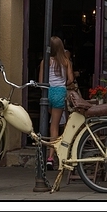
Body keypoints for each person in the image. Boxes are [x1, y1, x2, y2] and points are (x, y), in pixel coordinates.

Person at [39, 36, 74, 171]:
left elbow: (41, 80)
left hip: (48, 92)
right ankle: (51, 157)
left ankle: (48, 152)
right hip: (60, 92)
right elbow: (70, 79)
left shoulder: (45, 62)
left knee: (49, 124)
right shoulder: (66, 61)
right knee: (56, 125)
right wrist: (63, 84)